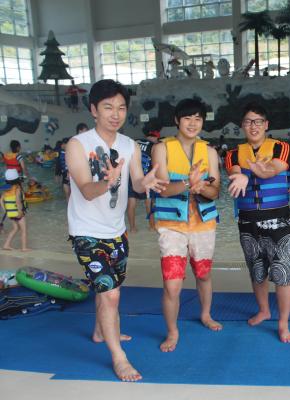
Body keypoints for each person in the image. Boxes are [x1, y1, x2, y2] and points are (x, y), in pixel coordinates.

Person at [65, 79, 166, 381]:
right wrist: (107, 181)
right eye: (108, 107)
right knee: (111, 295)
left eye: (121, 107)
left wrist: (145, 183)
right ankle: (119, 357)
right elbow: (86, 190)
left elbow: (136, 183)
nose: (115, 114)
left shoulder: (128, 145)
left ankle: (101, 331)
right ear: (94, 109)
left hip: (116, 231)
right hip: (86, 231)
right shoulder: (77, 145)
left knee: (108, 289)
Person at [152, 99, 222, 352]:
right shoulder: (161, 148)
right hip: (171, 225)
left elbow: (215, 192)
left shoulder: (210, 152)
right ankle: (172, 331)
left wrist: (202, 187)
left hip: (203, 223)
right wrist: (188, 184)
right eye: (187, 118)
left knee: (203, 274)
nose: (193, 124)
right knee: (172, 283)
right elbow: (161, 188)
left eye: (198, 119)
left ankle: (206, 314)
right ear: (177, 120)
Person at [225, 103, 290, 343]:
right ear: (243, 126)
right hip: (248, 221)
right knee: (257, 271)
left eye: (258, 122)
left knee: (282, 272)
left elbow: (273, 169)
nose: (253, 126)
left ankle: (283, 323)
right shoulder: (233, 154)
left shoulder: (281, 148)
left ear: (266, 125)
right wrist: (241, 175)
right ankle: (264, 310)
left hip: (278, 220)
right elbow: (235, 173)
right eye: (248, 122)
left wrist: (252, 173)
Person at [127, 129, 160, 232]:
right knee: (149, 203)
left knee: (131, 203)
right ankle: (152, 226)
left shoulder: (134, 142)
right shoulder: (154, 146)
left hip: (131, 177)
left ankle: (132, 228)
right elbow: (156, 164)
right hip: (146, 178)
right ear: (155, 137)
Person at [1, 169, 30, 251]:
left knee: (15, 228)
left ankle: (6, 245)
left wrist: (6, 210)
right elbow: (18, 201)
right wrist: (20, 212)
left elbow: (1, 201)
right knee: (24, 230)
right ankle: (24, 248)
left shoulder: (6, 190)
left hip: (10, 213)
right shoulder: (17, 189)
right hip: (18, 213)